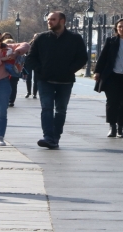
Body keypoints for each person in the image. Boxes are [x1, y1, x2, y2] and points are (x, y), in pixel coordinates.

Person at [25, 11, 88, 149]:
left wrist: (70, 70)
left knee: (60, 110)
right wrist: (40, 70)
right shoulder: (41, 38)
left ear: (62, 21)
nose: (49, 22)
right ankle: (48, 136)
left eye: (53, 19)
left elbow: (82, 57)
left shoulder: (75, 38)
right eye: (48, 19)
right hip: (45, 80)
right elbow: (30, 57)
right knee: (46, 108)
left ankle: (55, 137)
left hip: (65, 81)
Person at [1, 33, 22, 107]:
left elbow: (21, 61)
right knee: (5, 86)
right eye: (8, 44)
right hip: (4, 71)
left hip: (14, 71)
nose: (10, 46)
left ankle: (11, 100)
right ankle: (6, 99)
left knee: (13, 86)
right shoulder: (1, 51)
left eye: (11, 44)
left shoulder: (17, 52)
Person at [23, 34, 39, 99]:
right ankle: (28, 92)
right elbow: (25, 53)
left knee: (36, 79)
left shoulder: (42, 45)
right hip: (29, 63)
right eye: (35, 37)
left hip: (37, 63)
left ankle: (34, 93)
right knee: (28, 78)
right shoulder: (29, 45)